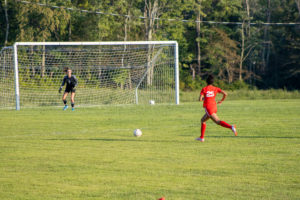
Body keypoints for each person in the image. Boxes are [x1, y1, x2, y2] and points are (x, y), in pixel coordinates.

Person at [196, 75, 237, 142]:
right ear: (212, 82)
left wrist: (205, 98)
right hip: (214, 107)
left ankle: (231, 127)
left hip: (209, 107)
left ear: (206, 82)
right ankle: (201, 137)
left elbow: (200, 99)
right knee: (203, 120)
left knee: (217, 121)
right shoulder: (215, 88)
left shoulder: (204, 89)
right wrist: (221, 100)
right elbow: (225, 94)